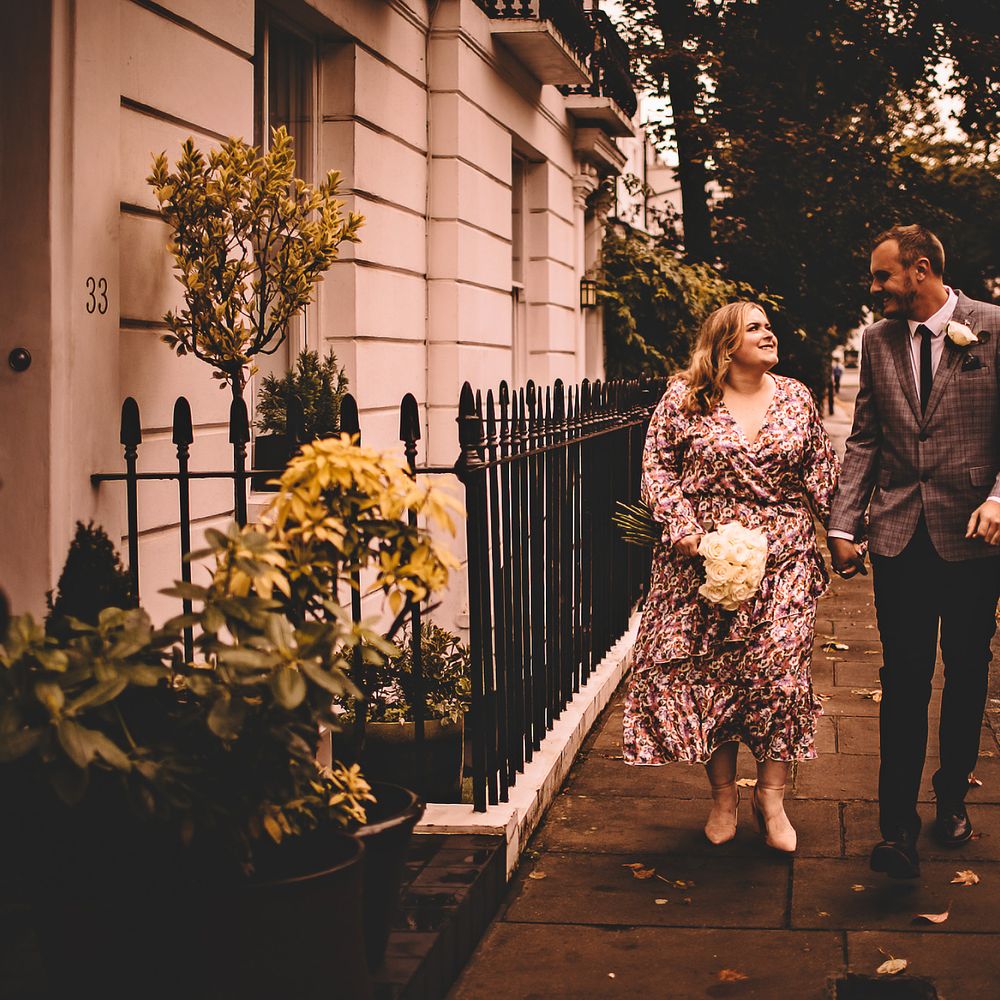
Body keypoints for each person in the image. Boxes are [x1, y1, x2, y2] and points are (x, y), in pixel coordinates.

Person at [623, 301, 840, 853]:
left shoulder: (796, 397)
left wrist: (847, 530)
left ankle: (772, 797)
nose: (770, 333)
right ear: (725, 343)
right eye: (756, 327)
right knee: (713, 682)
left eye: (770, 325)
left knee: (779, 678)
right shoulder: (685, 397)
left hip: (784, 560)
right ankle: (722, 798)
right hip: (702, 564)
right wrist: (688, 533)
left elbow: (822, 473)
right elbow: (656, 469)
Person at [828, 224, 1000, 880]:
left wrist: (998, 499)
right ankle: (896, 827)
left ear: (919, 270)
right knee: (902, 679)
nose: (874, 291)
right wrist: (845, 525)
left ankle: (951, 795)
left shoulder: (992, 327)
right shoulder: (877, 342)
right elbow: (866, 438)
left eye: (881, 278)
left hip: (974, 542)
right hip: (899, 537)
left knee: (966, 672)